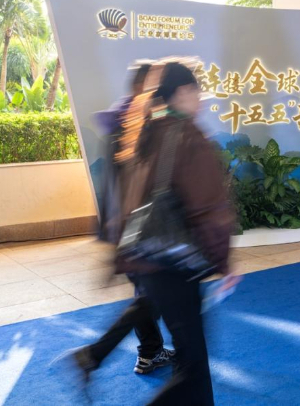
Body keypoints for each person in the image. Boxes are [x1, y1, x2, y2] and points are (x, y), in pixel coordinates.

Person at [116, 60, 235, 405]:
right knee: (192, 368)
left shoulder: (147, 132)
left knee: (191, 362)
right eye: (197, 91)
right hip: (178, 265)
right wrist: (224, 262)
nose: (200, 99)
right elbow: (207, 208)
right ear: (183, 92)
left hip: (149, 261)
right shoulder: (189, 137)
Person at [73, 61, 175, 379]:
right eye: (154, 85)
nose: (159, 92)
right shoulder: (137, 125)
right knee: (153, 296)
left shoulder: (125, 121)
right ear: (140, 87)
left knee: (148, 295)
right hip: (142, 229)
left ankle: (148, 352)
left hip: (131, 228)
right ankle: (100, 353)